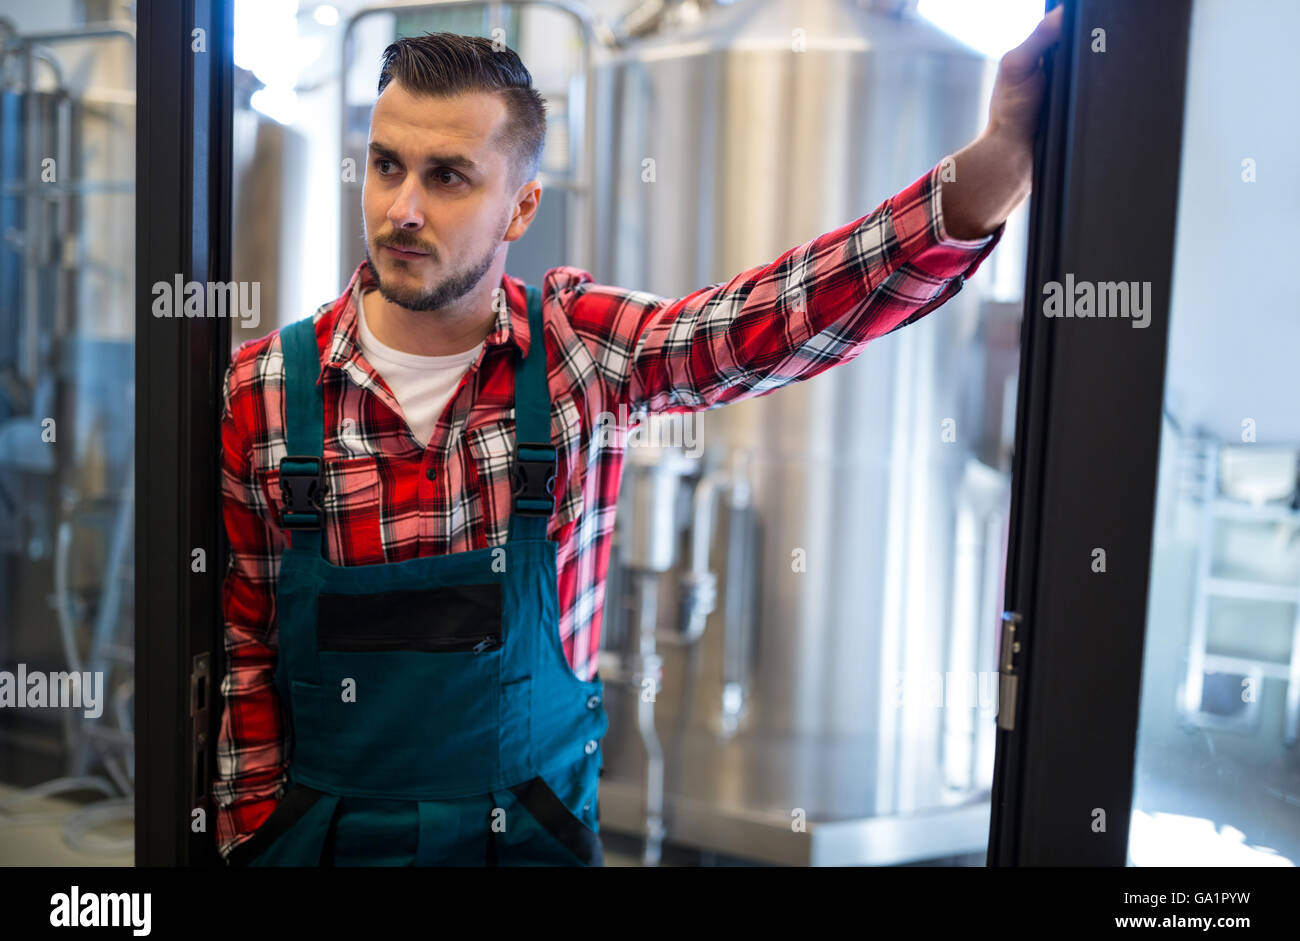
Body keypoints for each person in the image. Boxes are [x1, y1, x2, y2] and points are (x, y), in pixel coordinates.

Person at [215, 8, 1064, 866]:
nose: (402, 209)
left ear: (521, 208)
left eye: (448, 178)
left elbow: (774, 317)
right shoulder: (269, 391)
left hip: (529, 843)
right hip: (322, 847)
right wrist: (251, 843)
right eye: (388, 165)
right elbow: (244, 654)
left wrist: (995, 163)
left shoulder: (580, 356)